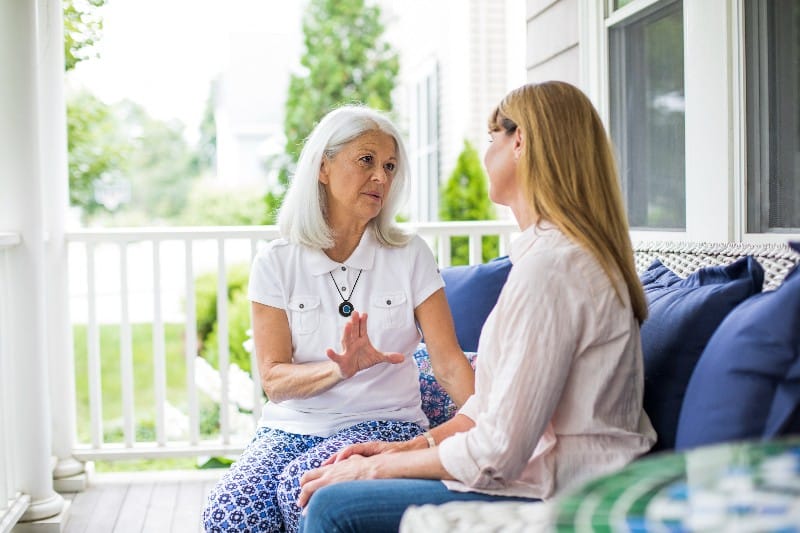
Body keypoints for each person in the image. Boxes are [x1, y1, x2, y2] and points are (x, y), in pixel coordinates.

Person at [296, 81, 657, 532]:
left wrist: (372, 469)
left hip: (566, 492)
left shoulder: (554, 270)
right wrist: (407, 448)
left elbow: (498, 451)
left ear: (519, 141)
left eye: (493, 138)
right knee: (337, 489)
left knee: (335, 506)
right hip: (543, 476)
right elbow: (492, 406)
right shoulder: (554, 258)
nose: (486, 153)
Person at [202, 105, 475, 533]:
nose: (381, 177)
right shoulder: (276, 261)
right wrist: (339, 369)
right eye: (366, 160)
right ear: (323, 167)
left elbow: (447, 361)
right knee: (229, 509)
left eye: (389, 166)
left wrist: (489, 420)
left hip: (383, 420)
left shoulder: (410, 254)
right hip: (291, 427)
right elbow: (273, 380)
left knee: (306, 488)